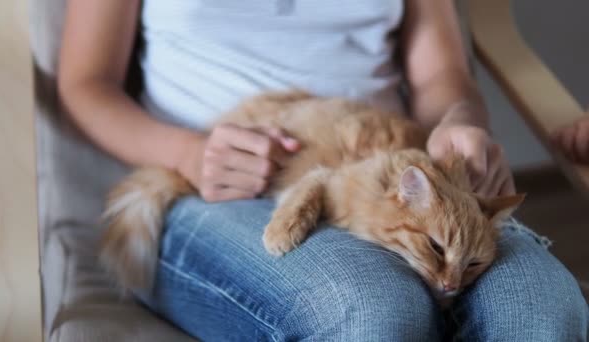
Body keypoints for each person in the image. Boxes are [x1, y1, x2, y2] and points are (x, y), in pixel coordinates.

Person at [58, 1, 588, 340]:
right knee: (374, 313)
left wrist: (460, 120)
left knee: (543, 313)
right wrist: (188, 155)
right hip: (220, 186)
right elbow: (85, 82)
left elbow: (441, 75)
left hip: (395, 172)